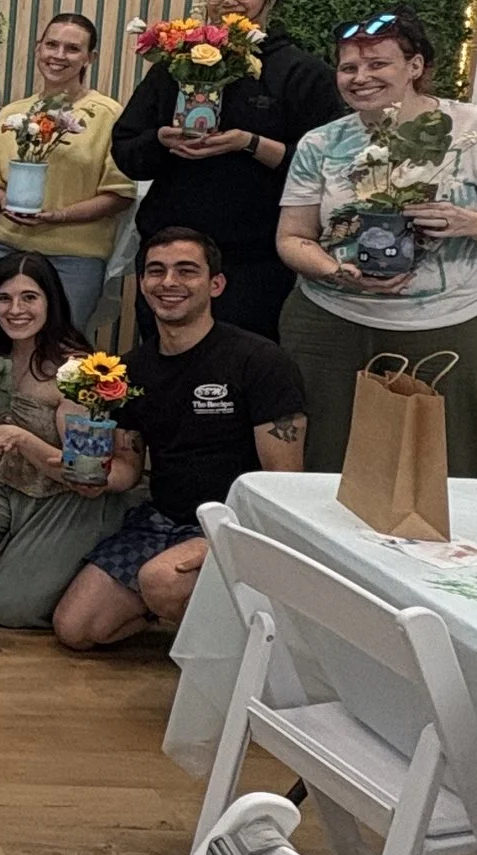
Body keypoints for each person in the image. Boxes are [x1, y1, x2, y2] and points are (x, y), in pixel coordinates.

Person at [275, 9, 477, 478]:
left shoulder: (476, 131)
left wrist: (466, 222)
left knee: (444, 469)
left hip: (451, 326)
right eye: (349, 68)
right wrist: (335, 271)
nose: (361, 78)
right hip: (331, 326)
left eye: (378, 64)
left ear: (415, 67)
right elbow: (293, 238)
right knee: (325, 468)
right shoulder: (321, 143)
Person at [53, 228, 309, 651]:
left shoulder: (260, 361)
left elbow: (284, 481)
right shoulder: (129, 370)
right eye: (156, 271)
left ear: (216, 284)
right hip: (161, 519)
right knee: (77, 628)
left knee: (161, 581)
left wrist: (229, 540)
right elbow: (130, 467)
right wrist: (90, 475)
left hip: (237, 524)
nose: (169, 282)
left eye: (186, 271)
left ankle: (247, 653)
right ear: (143, 285)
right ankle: (193, 611)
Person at [109, 0, 344, 340]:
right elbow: (127, 150)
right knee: (162, 362)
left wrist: (249, 143)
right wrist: (161, 140)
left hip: (253, 259)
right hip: (170, 252)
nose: (228, 2)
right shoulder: (176, 65)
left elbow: (324, 169)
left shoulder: (303, 73)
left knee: (242, 370)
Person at [0, 253, 139, 629]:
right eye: (4, 299)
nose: (16, 309)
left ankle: (67, 580)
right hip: (7, 486)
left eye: (29, 297)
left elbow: (84, 476)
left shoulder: (75, 372)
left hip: (67, 500)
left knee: (8, 611)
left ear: (50, 302)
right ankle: (22, 570)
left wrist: (23, 439)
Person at [0, 13, 134, 331]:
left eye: (72, 49)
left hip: (73, 257)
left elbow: (119, 193)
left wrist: (59, 216)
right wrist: (8, 204)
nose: (59, 55)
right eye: (51, 44)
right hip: (7, 247)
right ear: (38, 49)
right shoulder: (12, 114)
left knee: (63, 351)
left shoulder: (108, 115)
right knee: (0, 346)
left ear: (89, 58)